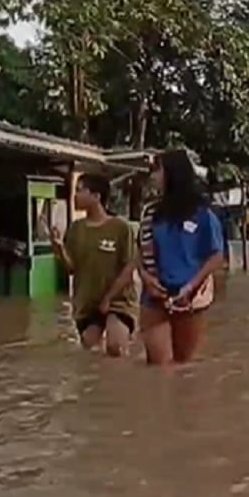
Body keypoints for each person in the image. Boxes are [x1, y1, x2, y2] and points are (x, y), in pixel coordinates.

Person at [137, 149, 226, 365]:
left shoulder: (203, 213)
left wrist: (191, 288)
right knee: (159, 367)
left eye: (158, 170)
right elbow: (139, 254)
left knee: (182, 366)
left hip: (191, 297)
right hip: (154, 296)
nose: (153, 177)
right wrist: (146, 280)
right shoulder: (150, 213)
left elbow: (216, 256)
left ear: (173, 173)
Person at [50, 173, 137, 356]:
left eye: (80, 190)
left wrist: (108, 298)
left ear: (97, 196)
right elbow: (72, 268)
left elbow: (129, 267)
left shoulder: (121, 228)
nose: (75, 196)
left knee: (116, 348)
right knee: (90, 353)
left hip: (118, 302)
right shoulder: (75, 229)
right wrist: (58, 248)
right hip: (87, 304)